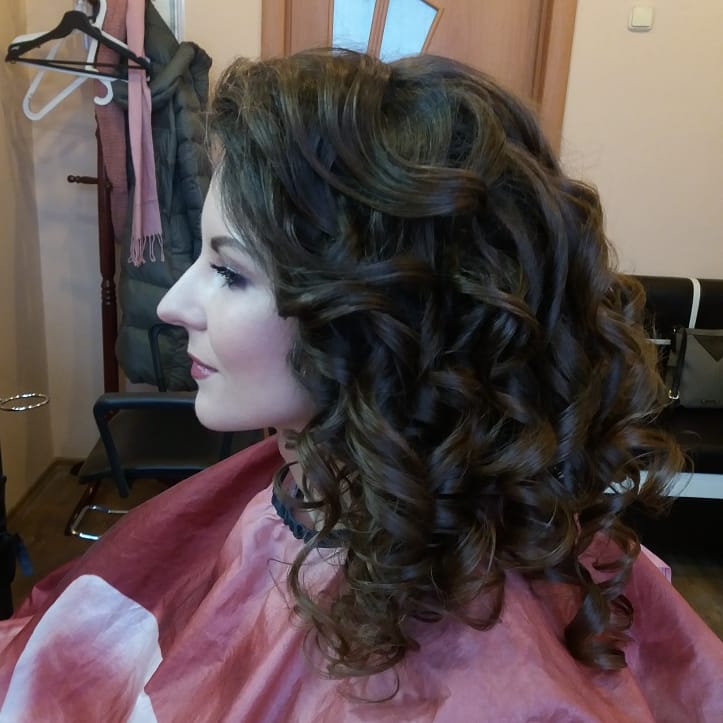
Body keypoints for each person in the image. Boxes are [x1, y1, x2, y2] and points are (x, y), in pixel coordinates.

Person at [1, 49, 721, 721]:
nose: (171, 305)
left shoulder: (495, 677)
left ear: (379, 317)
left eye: (229, 272)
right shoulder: (305, 481)